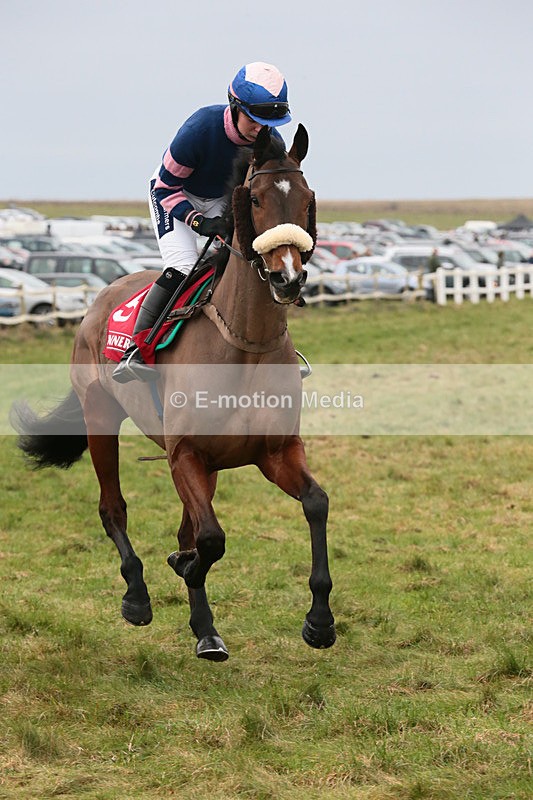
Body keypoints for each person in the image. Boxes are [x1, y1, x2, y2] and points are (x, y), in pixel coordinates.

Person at [113, 62, 292, 383]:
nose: (260, 129)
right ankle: (137, 349)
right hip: (175, 193)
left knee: (241, 269)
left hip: (222, 200)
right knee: (183, 267)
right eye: (255, 118)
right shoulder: (200, 129)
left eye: (269, 121)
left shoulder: (270, 141)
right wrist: (197, 221)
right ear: (235, 106)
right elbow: (166, 187)